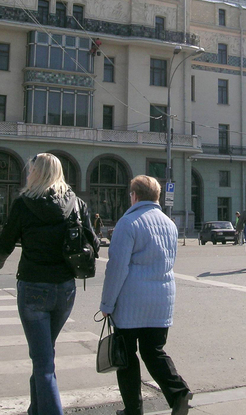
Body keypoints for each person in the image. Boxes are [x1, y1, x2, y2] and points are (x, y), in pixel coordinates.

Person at [0, 153, 99, 415]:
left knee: (42, 362)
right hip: (65, 289)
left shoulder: (24, 203)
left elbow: (5, 241)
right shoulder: (77, 204)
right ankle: (36, 409)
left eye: (30, 170)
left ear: (36, 173)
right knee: (44, 354)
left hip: (33, 287)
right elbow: (94, 244)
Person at [100, 175, 191, 415]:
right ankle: (179, 392)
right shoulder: (169, 224)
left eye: (131, 194)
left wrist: (107, 304)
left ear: (135, 196)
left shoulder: (128, 223)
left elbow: (117, 268)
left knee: (127, 357)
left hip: (131, 303)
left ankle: (133, 409)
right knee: (154, 352)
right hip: (161, 301)